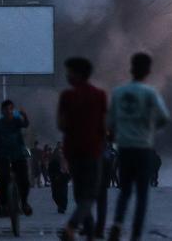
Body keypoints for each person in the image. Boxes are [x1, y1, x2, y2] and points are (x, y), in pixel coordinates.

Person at [107, 52, 171, 241]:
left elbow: (110, 123)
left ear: (131, 68)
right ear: (148, 71)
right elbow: (164, 117)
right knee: (142, 194)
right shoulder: (150, 93)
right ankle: (135, 234)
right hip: (143, 147)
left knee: (125, 190)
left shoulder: (118, 92)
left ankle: (117, 224)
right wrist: (149, 129)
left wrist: (119, 133)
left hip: (124, 148)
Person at [57, 57, 108, 241]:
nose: (67, 75)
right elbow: (104, 126)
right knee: (90, 195)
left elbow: (61, 125)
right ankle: (73, 226)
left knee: (80, 195)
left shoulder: (67, 96)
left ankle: (87, 230)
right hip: (93, 151)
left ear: (77, 74)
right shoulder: (100, 95)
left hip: (73, 152)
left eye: (69, 71)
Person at [0, 99, 33, 216]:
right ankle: (2, 204)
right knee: (3, 179)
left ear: (12, 110)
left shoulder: (17, 121)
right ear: (2, 111)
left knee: (24, 180)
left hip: (18, 154)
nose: (8, 112)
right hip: (3, 156)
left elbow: (26, 124)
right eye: (5, 110)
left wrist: (25, 115)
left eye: (10, 109)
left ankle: (24, 203)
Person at [49, 142, 71, 213]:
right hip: (55, 179)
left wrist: (68, 176)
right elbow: (50, 170)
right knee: (55, 195)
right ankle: (60, 205)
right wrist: (53, 177)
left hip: (63, 179)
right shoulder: (53, 161)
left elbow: (68, 169)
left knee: (63, 194)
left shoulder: (66, 158)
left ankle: (62, 207)